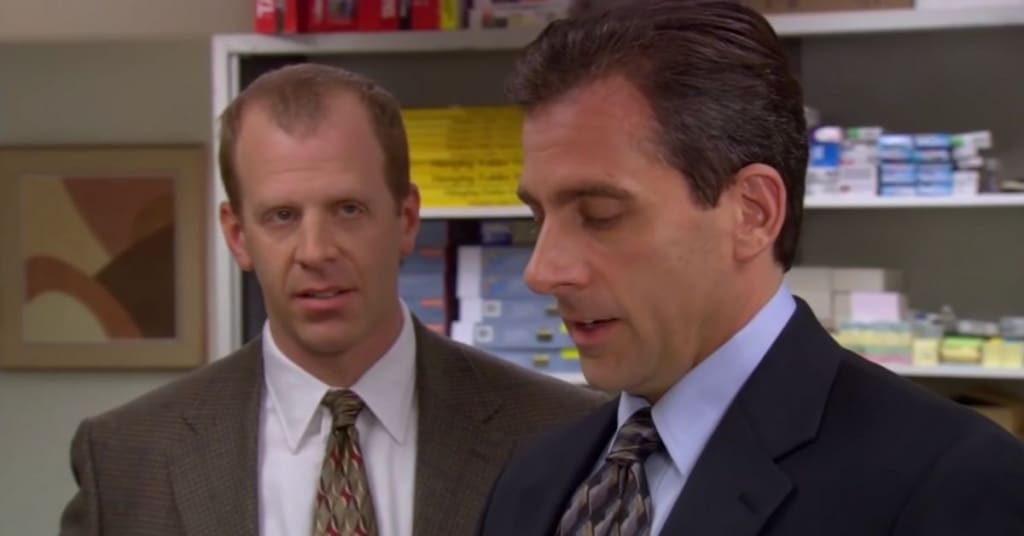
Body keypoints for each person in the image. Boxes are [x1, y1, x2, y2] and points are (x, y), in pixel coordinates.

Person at [478, 2, 1024, 535]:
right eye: (538, 218)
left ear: (752, 213)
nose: (542, 272)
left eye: (601, 215)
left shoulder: (951, 485)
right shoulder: (533, 481)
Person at [58, 63, 606, 536]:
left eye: (348, 210)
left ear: (406, 219)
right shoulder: (126, 456)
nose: (316, 251)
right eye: (282, 216)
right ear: (238, 236)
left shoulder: (566, 435)